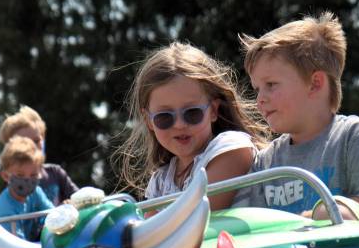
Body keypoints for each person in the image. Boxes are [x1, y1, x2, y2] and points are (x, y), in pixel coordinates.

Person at [238, 12, 359, 226]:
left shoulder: (355, 138)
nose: (260, 99)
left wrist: (310, 220)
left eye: (271, 85)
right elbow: (252, 225)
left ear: (315, 83)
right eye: (257, 89)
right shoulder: (266, 162)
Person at [114, 42, 268, 210]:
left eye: (192, 113)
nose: (180, 124)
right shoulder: (160, 181)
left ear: (213, 111)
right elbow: (152, 233)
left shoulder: (232, 149)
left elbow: (195, 216)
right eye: (164, 117)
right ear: (149, 120)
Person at [0, 106, 80, 206]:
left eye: (36, 140)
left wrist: (71, 204)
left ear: (44, 140)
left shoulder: (55, 172)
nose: (32, 146)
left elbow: (79, 198)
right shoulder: (13, 185)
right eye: (24, 143)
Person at [0, 137, 54, 247]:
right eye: (20, 175)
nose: (28, 180)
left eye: (33, 175)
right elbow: (18, 247)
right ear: (6, 176)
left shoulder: (36, 192)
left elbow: (53, 214)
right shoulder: (4, 209)